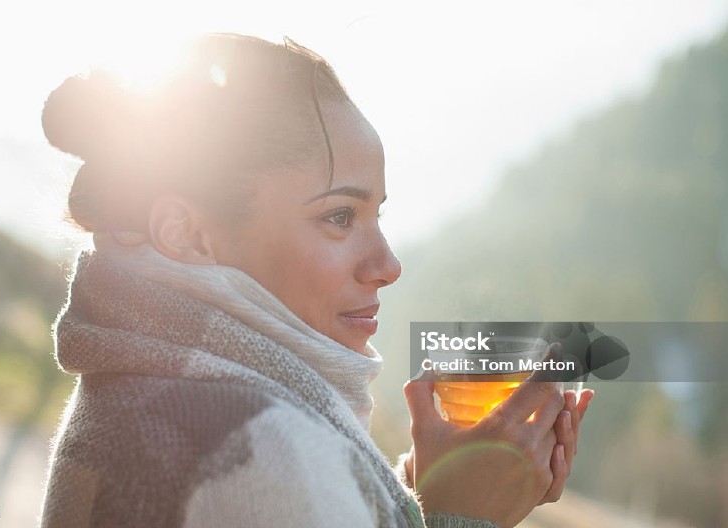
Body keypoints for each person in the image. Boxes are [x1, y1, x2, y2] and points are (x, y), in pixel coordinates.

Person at [39, 33, 594, 528]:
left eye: (378, 214)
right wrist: (466, 518)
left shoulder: (152, 392)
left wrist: (416, 488)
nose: (388, 264)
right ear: (186, 233)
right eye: (339, 217)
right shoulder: (262, 451)